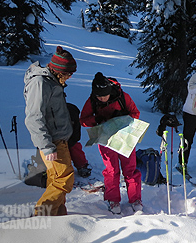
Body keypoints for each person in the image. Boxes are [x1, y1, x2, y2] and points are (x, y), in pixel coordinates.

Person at [24, 46, 77, 216]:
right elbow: (33, 117)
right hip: (52, 141)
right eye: (69, 74)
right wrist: (46, 146)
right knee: (63, 179)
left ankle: (58, 218)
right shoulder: (40, 83)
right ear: (60, 71)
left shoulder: (52, 81)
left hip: (59, 139)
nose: (70, 77)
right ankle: (41, 217)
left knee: (55, 180)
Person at [80, 72, 142, 214]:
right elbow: (83, 119)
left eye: (104, 96)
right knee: (112, 170)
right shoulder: (92, 101)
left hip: (125, 136)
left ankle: (135, 199)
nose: (101, 99)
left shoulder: (122, 97)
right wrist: (97, 120)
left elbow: (135, 113)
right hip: (105, 137)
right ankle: (113, 199)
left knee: (130, 169)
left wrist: (122, 119)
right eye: (98, 96)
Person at [66, 103, 92, 178]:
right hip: (54, 138)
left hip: (69, 136)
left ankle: (82, 165)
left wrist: (71, 142)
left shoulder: (72, 113)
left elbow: (76, 136)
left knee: (75, 147)